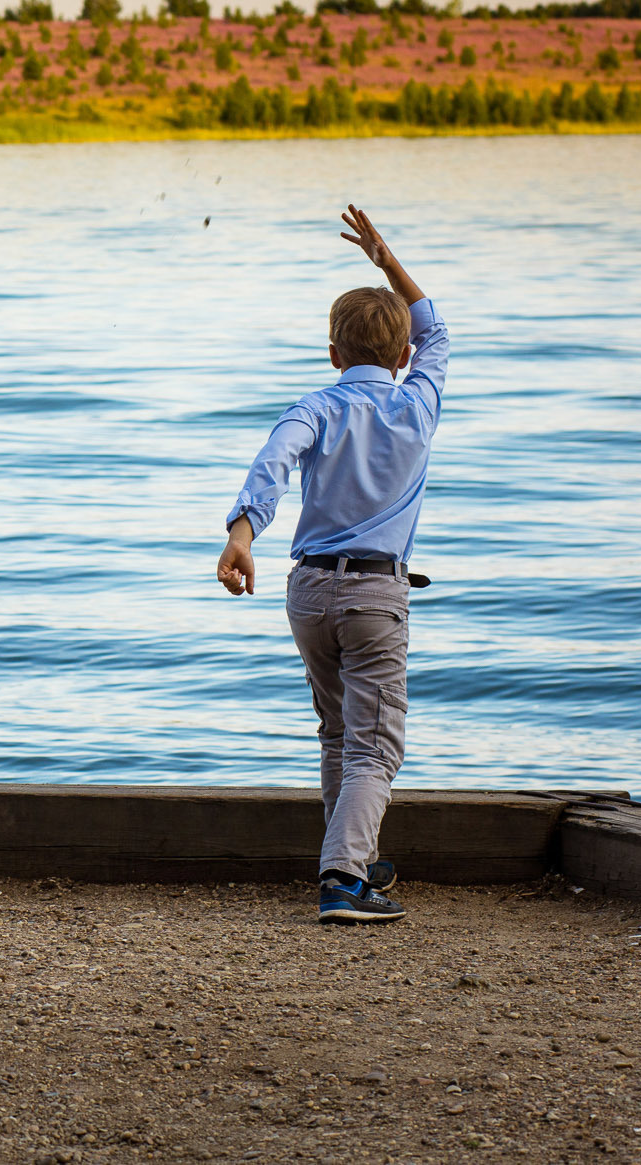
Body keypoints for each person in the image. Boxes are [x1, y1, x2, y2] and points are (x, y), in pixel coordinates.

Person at [216, 205, 449, 926]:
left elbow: (272, 462)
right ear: (403, 355)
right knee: (374, 745)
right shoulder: (418, 404)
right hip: (375, 593)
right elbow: (437, 330)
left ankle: (354, 855)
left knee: (340, 734)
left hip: (309, 590)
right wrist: (388, 262)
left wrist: (243, 534)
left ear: (333, 354)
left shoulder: (316, 406)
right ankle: (344, 879)